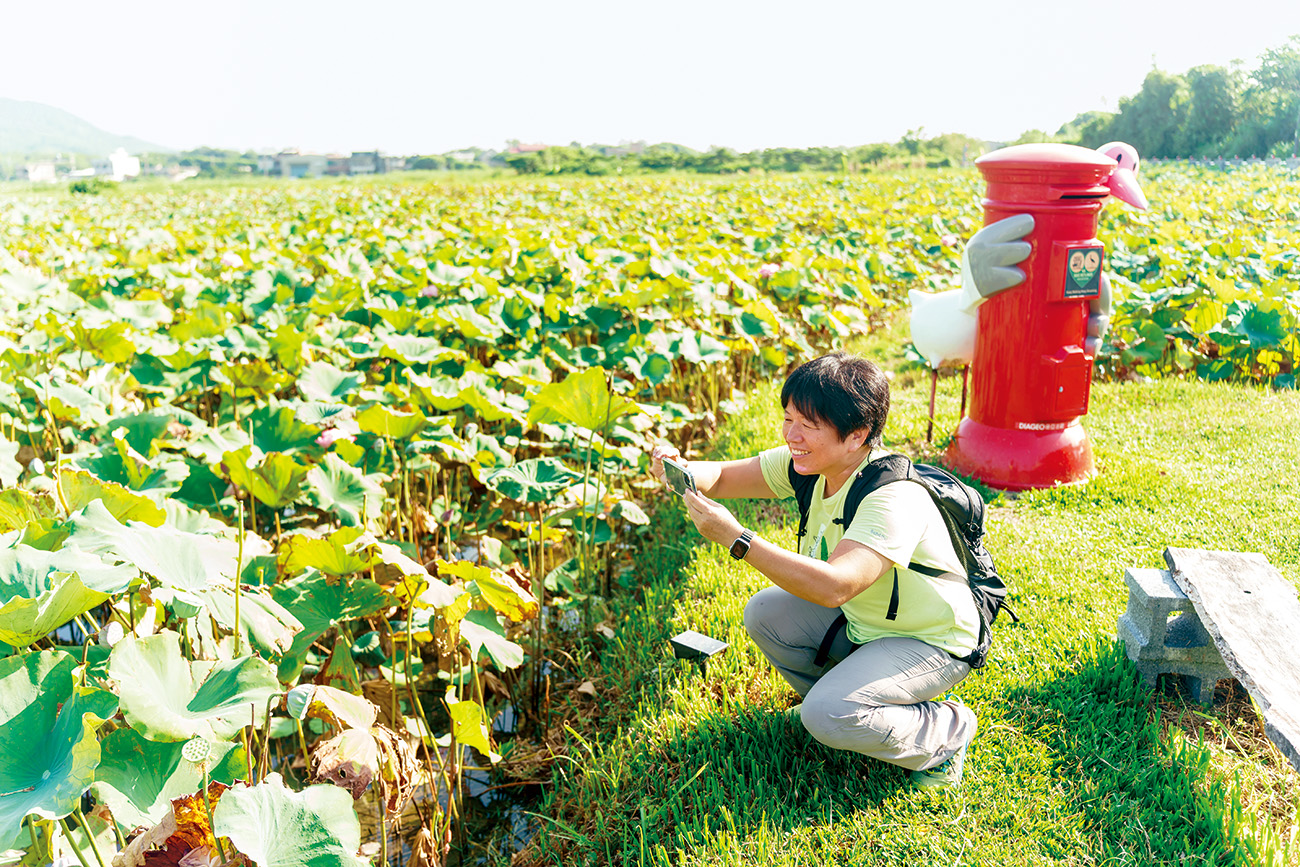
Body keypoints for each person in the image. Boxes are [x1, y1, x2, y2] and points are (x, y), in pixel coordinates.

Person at [649, 352, 980, 787]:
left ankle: (945, 730)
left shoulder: (892, 498)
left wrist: (737, 539)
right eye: (788, 419)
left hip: (930, 641)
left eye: (809, 425)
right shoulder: (810, 467)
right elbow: (724, 478)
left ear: (856, 436)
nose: (792, 435)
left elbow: (836, 587)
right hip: (869, 624)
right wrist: (681, 470)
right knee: (766, 613)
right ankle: (857, 706)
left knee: (828, 714)